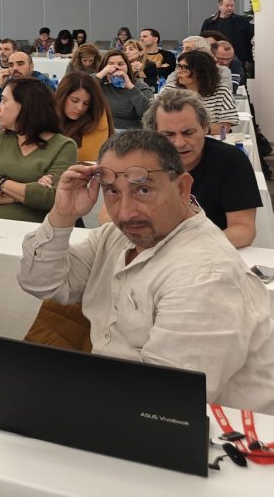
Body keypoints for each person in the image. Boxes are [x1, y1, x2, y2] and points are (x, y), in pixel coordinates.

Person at [17, 130, 274, 412]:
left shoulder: (206, 276)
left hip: (205, 428)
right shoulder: (115, 237)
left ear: (181, 188)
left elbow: (164, 400)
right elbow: (40, 282)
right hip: (120, 400)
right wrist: (62, 214)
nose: (125, 212)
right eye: (112, 192)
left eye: (143, 190)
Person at [125, 90, 261, 248]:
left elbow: (244, 230)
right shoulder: (141, 162)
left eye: (188, 133)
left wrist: (186, 247)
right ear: (154, 133)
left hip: (209, 252)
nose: (179, 143)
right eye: (168, 135)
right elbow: (108, 216)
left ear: (205, 127)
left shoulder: (232, 160)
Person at [0, 78, 77, 223]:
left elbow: (50, 198)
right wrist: (26, 194)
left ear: (26, 105)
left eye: (4, 101)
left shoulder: (64, 146)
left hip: (33, 232)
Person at [165, 49, 238, 136]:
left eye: (185, 68)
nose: (179, 71)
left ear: (200, 72)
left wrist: (197, 131)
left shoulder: (221, 92)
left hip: (210, 140)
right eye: (179, 66)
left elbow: (225, 128)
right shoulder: (170, 91)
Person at [55, 72, 113, 163]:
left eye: (86, 103)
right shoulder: (48, 112)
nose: (80, 108)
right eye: (74, 101)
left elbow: (88, 158)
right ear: (61, 96)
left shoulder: (97, 114)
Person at [95, 49, 153, 129]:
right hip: (101, 128)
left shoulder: (140, 86)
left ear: (127, 67)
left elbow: (149, 114)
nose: (116, 67)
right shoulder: (98, 81)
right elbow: (83, 87)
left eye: (120, 64)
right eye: (110, 64)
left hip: (128, 131)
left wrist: (131, 87)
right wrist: (101, 74)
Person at [0, 50, 54, 122]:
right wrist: (0, 86)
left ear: (31, 67)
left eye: (20, 64)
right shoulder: (10, 83)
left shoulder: (42, 83)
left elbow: (42, 118)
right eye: (11, 65)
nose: (15, 68)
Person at [201, 0, 253, 73]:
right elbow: (203, 41)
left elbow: (249, 41)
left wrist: (249, 59)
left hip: (237, 60)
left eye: (232, 6)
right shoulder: (209, 22)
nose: (230, 8)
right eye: (227, 5)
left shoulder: (242, 21)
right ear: (220, 6)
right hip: (214, 60)